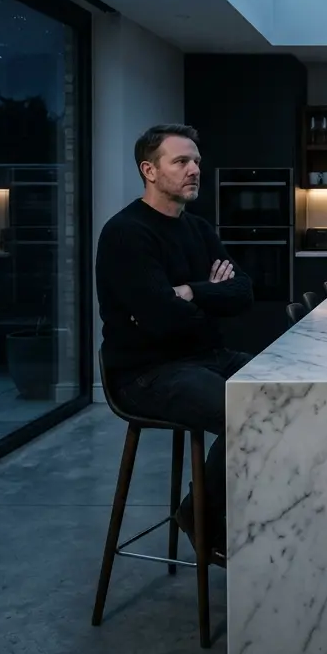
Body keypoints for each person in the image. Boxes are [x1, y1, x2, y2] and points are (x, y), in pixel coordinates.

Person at [95, 124, 254, 561]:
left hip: (207, 357)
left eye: (197, 161)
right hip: (147, 372)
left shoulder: (198, 229)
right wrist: (205, 292)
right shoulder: (126, 233)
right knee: (248, 413)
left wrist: (191, 291)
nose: (194, 170)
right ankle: (200, 516)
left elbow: (244, 293)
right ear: (149, 169)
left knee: (287, 392)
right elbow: (160, 319)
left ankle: (250, 511)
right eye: (181, 161)